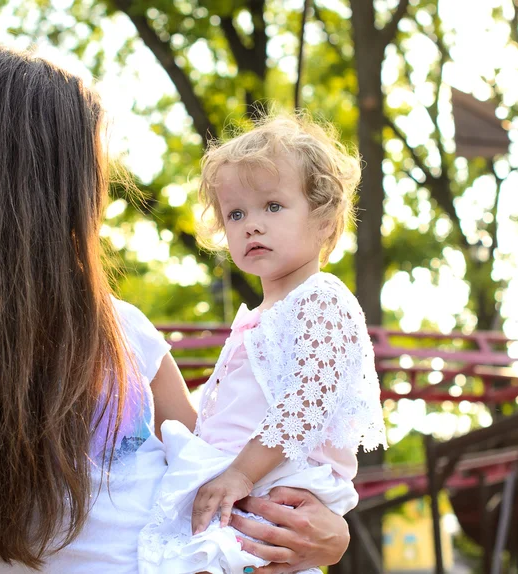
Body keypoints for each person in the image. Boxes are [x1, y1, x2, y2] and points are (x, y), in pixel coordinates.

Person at [0, 47, 351, 574]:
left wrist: (330, 535)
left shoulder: (123, 331)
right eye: (91, 170)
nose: (100, 194)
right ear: (41, 189)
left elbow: (208, 466)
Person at [138, 115, 388, 574]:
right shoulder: (260, 318)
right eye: (236, 213)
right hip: (247, 484)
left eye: (272, 206)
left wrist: (239, 473)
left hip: (273, 484)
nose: (251, 224)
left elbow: (309, 400)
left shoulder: (320, 297)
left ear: (324, 220)